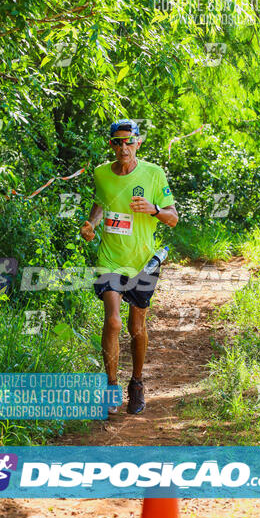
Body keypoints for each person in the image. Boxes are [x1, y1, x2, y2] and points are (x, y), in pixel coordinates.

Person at [80, 119, 178, 415]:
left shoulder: (153, 173)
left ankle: (136, 383)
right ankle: (111, 385)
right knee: (113, 322)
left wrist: (154, 209)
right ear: (110, 145)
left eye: (128, 141)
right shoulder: (101, 174)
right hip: (110, 258)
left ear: (138, 142)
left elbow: (173, 218)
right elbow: (101, 203)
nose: (123, 147)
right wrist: (91, 225)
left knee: (137, 327)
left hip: (143, 262)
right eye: (116, 142)